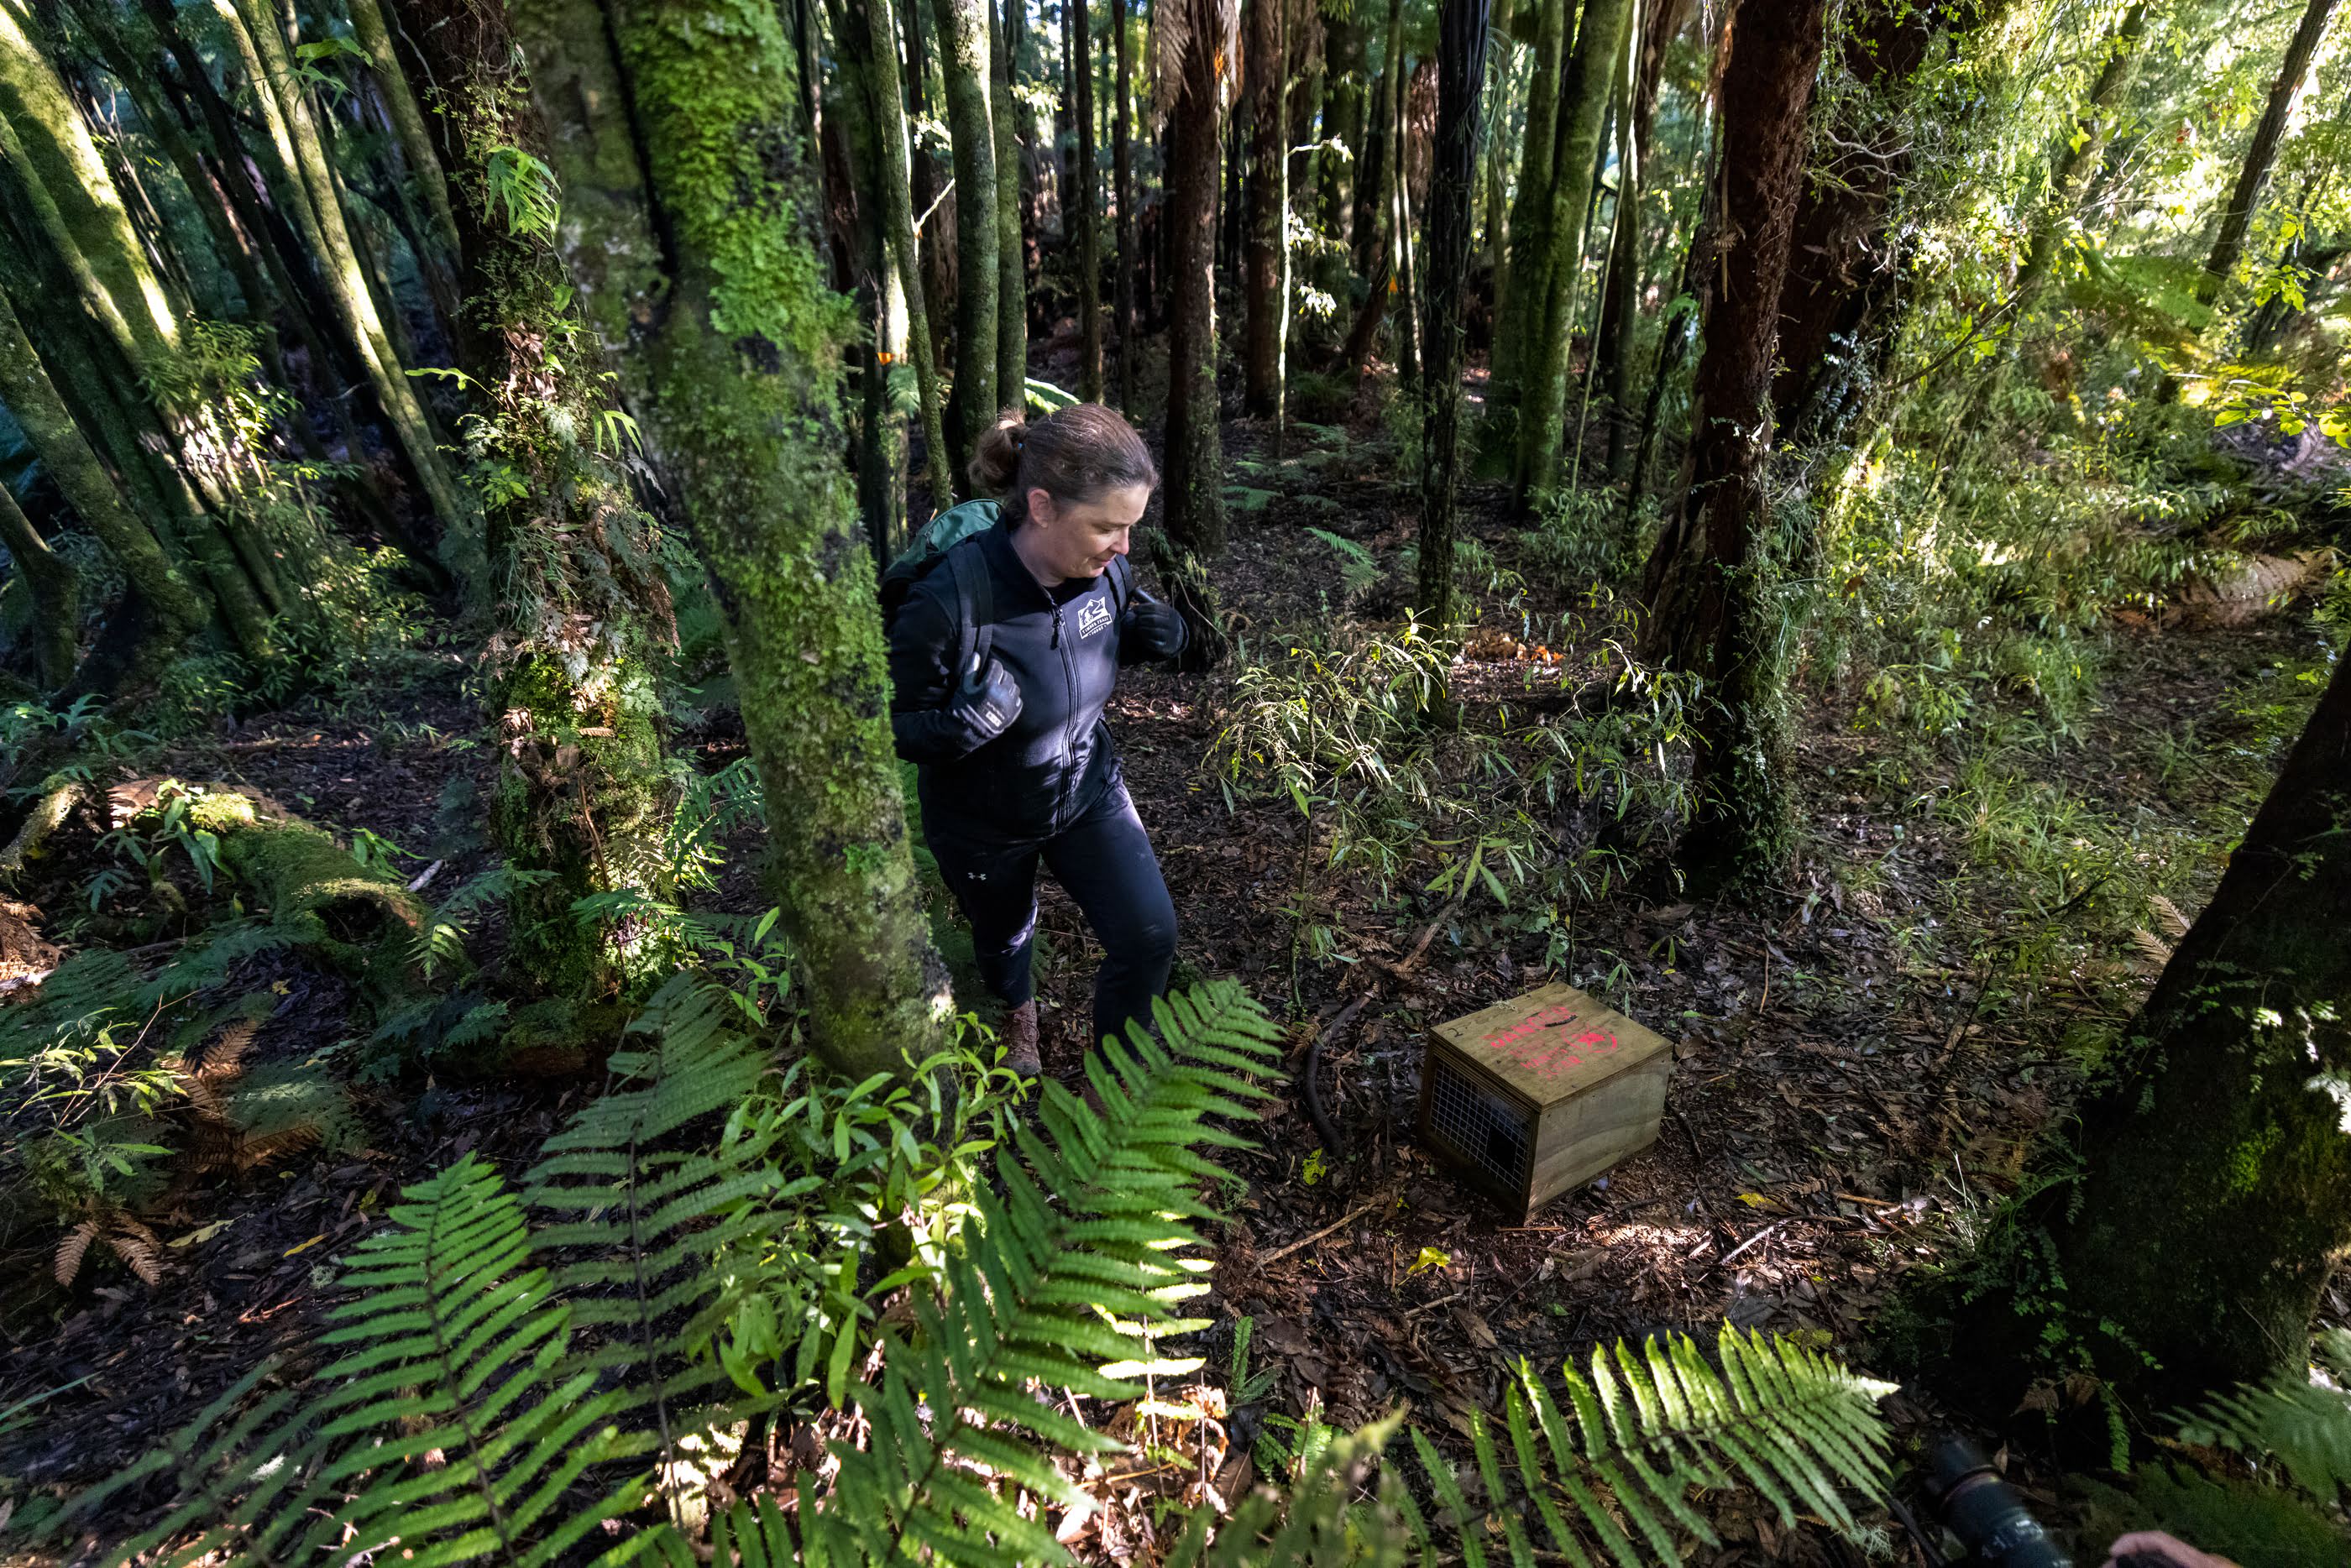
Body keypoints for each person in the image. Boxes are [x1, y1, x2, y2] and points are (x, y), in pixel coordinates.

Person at [886, 404, 1189, 1077]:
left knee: (1149, 935)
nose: (1124, 548)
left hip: (1086, 789)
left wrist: (1150, 637)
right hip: (982, 821)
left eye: (1132, 527)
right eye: (1108, 526)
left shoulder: (1106, 571)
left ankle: (1118, 1089)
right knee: (1003, 938)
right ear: (1043, 506)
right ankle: (1018, 1014)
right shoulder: (949, 602)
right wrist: (960, 726)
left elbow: (1088, 643)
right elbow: (891, 726)